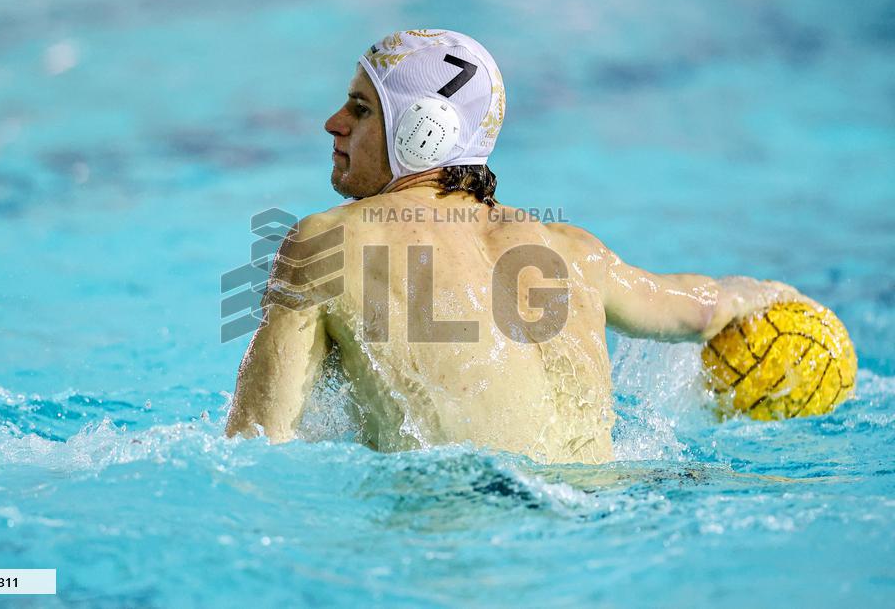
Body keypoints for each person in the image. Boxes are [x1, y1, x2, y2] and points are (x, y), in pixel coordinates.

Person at [225, 29, 813, 464]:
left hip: (467, 527)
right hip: (612, 509)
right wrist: (765, 295)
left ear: (422, 129)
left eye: (359, 109)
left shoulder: (329, 241)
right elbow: (698, 308)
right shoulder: (570, 250)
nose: (333, 123)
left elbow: (254, 445)